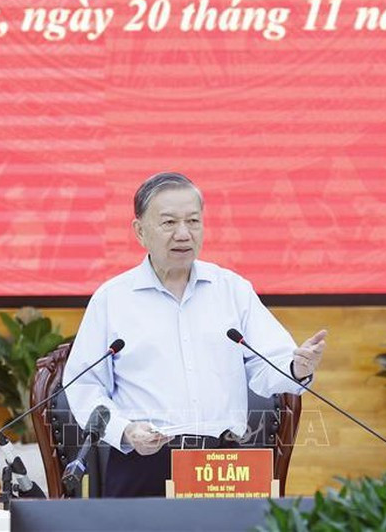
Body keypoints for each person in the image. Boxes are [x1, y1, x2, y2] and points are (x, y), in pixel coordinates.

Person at [64, 172, 327, 497]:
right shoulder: (113, 299)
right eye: (169, 223)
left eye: (193, 221)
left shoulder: (232, 290)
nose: (183, 234)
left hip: (222, 465)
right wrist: (126, 430)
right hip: (144, 463)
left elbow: (270, 364)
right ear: (140, 231)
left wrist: (297, 367)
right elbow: (85, 385)